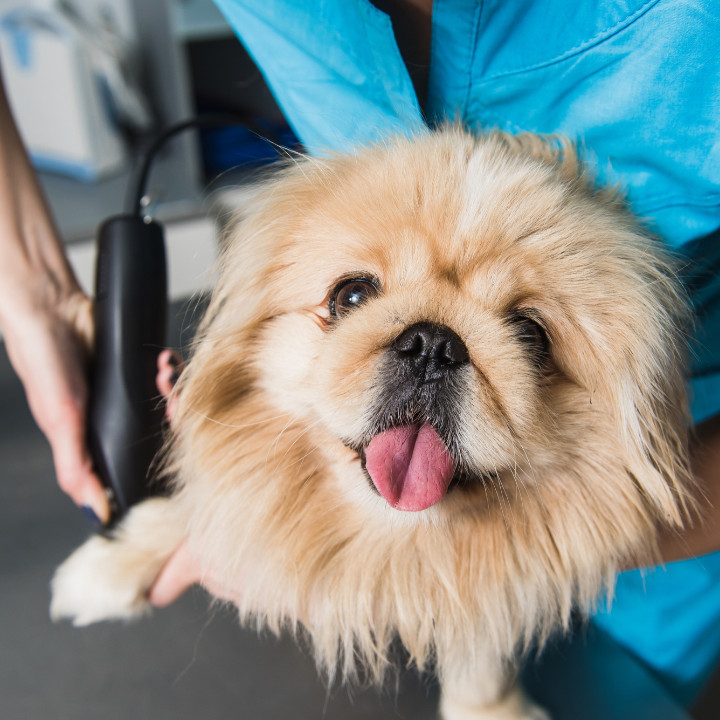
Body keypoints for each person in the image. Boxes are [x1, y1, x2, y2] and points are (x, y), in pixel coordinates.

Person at [1, 0, 719, 707]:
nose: (430, 352)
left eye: (530, 339)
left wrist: (558, 560)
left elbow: (600, 495)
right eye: (351, 296)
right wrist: (30, 286)